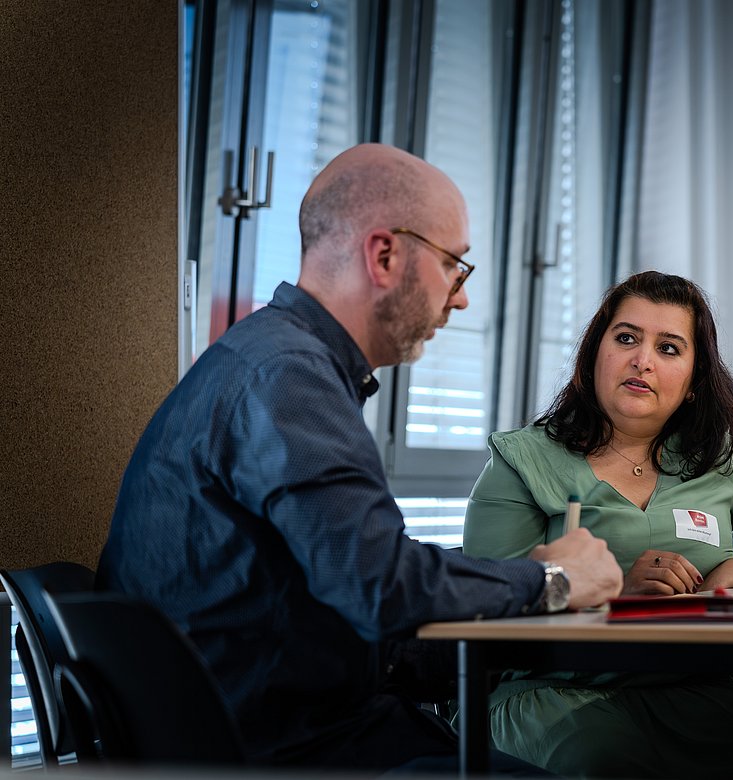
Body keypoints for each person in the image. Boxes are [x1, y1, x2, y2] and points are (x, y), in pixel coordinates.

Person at [96, 143, 623, 773]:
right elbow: (380, 589)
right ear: (384, 255)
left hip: (263, 723)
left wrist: (520, 582)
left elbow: (356, 584)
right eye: (455, 265)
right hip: (286, 749)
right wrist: (551, 582)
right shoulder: (290, 380)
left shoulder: (266, 359)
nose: (460, 300)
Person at [462, 270, 733, 779]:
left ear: (694, 382)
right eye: (627, 338)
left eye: (669, 348)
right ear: (594, 358)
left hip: (694, 687)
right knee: (610, 765)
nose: (643, 360)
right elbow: (482, 603)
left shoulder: (719, 463)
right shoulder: (523, 461)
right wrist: (613, 592)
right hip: (552, 691)